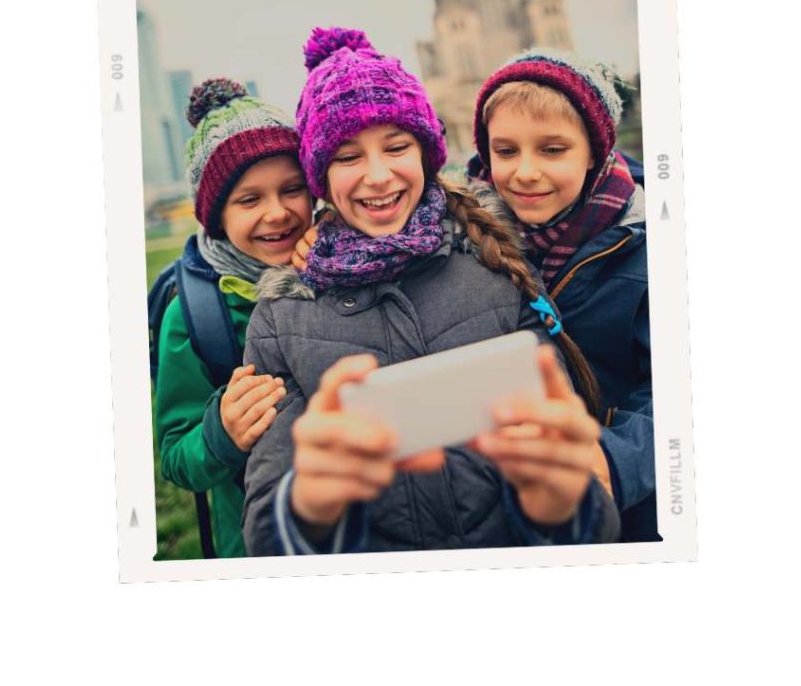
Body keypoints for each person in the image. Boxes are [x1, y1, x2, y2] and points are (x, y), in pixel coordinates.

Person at [241, 28, 620, 556]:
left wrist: (562, 507)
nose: (377, 176)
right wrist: (306, 507)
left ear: (426, 154)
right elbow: (265, 528)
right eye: (347, 157)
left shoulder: (497, 261)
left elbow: (575, 474)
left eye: (396, 147)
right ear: (320, 177)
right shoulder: (282, 317)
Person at [469, 48, 657, 542]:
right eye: (506, 151)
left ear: (595, 151)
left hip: (631, 504)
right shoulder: (469, 232)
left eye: (552, 150)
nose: (526, 172)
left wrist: (612, 461)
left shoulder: (648, 244)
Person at [154, 78, 311, 558]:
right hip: (254, 542)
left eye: (292, 189)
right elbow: (177, 456)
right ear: (216, 216)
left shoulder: (341, 264)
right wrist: (221, 433)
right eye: (249, 200)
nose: (278, 212)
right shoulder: (193, 315)